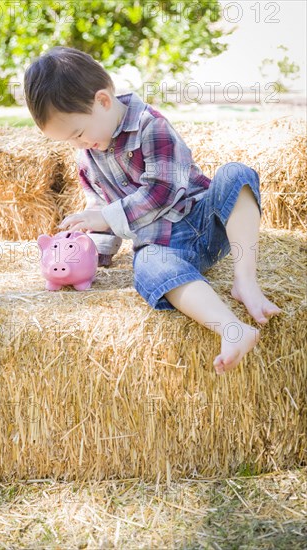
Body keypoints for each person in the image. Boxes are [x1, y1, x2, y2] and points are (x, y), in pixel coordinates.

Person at [24, 46, 282, 375]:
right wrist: (90, 253)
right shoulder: (87, 159)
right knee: (147, 269)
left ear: (103, 101)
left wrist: (105, 217)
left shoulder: (151, 127)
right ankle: (232, 330)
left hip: (203, 217)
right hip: (163, 246)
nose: (78, 145)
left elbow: (162, 192)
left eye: (78, 133)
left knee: (236, 174)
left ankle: (245, 281)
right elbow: (100, 206)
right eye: (68, 141)